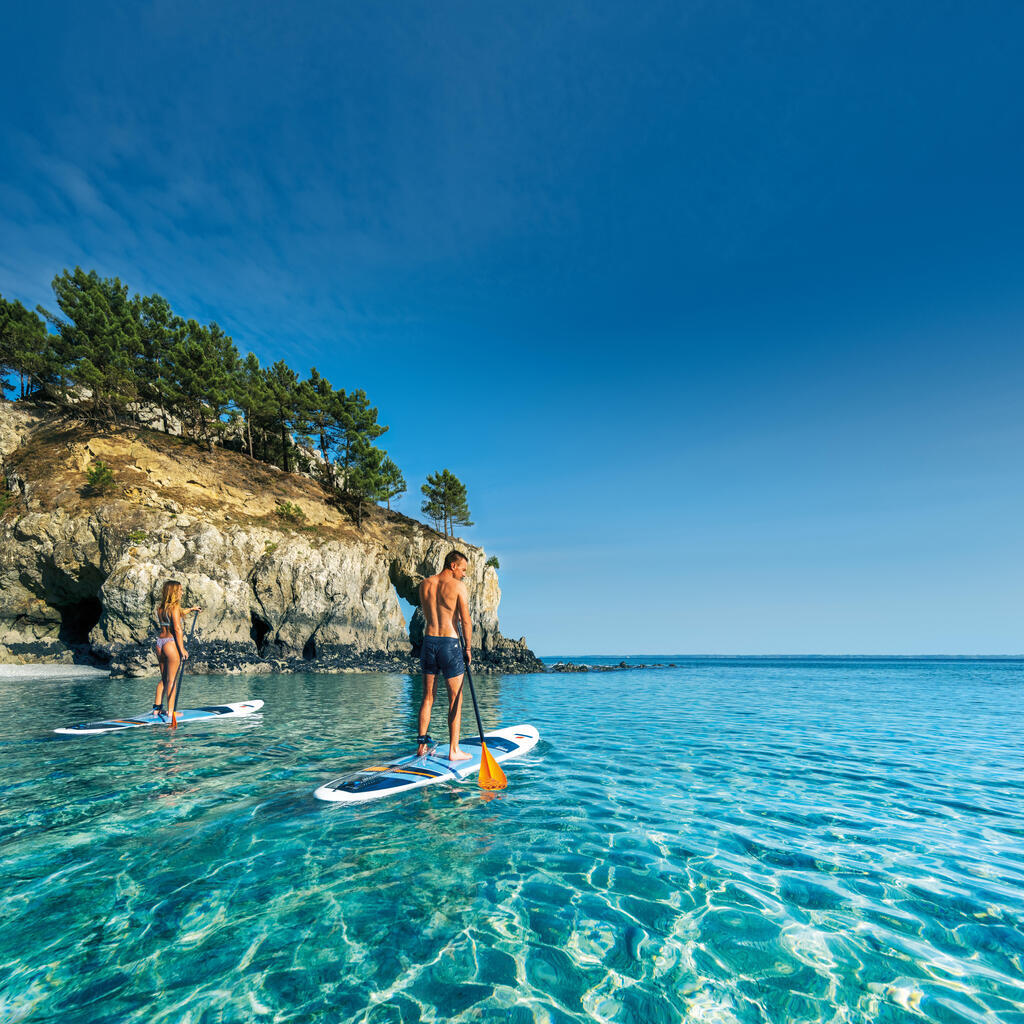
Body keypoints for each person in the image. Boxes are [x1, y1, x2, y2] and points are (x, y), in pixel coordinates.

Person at [416, 550, 473, 761]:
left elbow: (430, 610)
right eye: (463, 569)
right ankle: (454, 750)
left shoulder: (425, 585)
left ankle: (421, 746)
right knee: (455, 699)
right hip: (450, 644)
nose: (464, 574)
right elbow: (465, 621)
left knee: (428, 697)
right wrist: (467, 648)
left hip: (429, 643)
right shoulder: (458, 587)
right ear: (452, 565)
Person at [151, 580, 201, 718]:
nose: (182, 592)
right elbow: (178, 629)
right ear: (174, 592)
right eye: (180, 590)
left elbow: (177, 613)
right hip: (171, 644)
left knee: (164, 679)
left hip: (160, 643)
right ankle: (171, 712)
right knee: (172, 680)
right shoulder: (174, 607)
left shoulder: (161, 608)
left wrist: (191, 609)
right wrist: (182, 649)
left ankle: (157, 709)